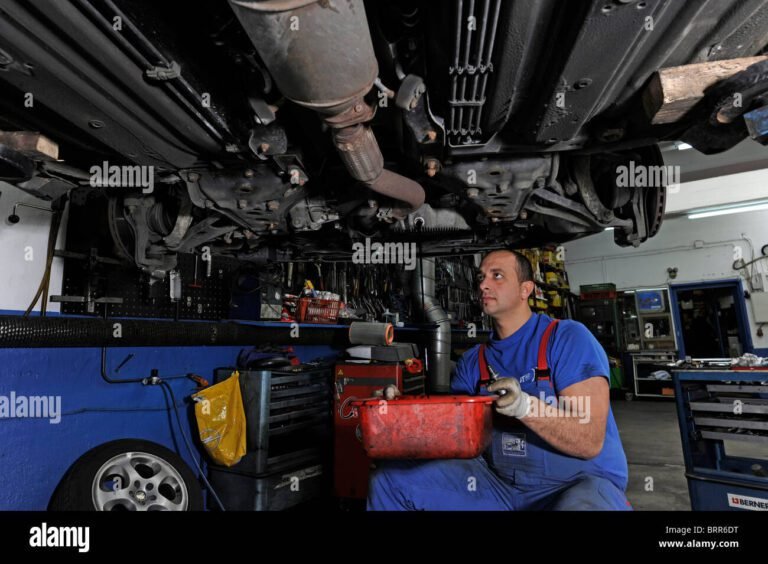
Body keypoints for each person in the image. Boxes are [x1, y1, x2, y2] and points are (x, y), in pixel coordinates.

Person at [367, 249, 631, 510]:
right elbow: (451, 435)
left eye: (497, 276)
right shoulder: (473, 362)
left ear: (525, 289)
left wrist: (525, 407)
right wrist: (400, 413)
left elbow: (589, 440)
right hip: (499, 487)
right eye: (481, 277)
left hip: (577, 484)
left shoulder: (567, 338)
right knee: (389, 481)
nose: (483, 285)